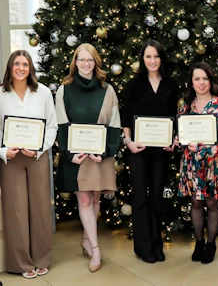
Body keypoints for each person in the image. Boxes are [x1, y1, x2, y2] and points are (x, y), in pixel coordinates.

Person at [56, 43, 121, 273]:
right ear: (75, 62)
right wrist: (68, 154)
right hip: (77, 156)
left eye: (90, 60)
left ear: (96, 62)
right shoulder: (64, 89)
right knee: (84, 200)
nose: (85, 64)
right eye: (81, 60)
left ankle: (86, 239)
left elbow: (114, 125)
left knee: (94, 200)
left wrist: (104, 152)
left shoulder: (107, 89)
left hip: (99, 155)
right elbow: (61, 124)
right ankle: (95, 248)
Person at [0, 50, 58, 279]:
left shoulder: (43, 92)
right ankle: (21, 263)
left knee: (40, 208)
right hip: (11, 160)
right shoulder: (1, 94)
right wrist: (4, 151)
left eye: (25, 64)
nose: (21, 68)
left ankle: (42, 258)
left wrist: (40, 147)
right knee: (16, 211)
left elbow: (52, 125)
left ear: (30, 68)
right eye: (17, 64)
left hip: (37, 157)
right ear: (10, 67)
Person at [122, 39, 178, 263]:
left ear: (161, 58)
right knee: (139, 198)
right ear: (142, 59)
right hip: (138, 149)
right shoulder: (133, 85)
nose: (152, 61)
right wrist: (128, 142)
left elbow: (174, 117)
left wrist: (174, 139)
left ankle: (157, 244)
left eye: (156, 56)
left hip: (161, 151)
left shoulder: (171, 85)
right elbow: (126, 118)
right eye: (148, 56)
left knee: (156, 197)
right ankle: (143, 247)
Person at [177, 62, 218, 264]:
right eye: (197, 79)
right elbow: (181, 133)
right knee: (196, 202)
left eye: (205, 78)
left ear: (211, 80)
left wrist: (205, 149)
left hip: (214, 163)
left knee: (212, 202)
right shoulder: (185, 105)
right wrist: (180, 142)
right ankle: (199, 242)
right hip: (192, 163)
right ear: (191, 82)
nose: (201, 83)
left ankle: (211, 244)